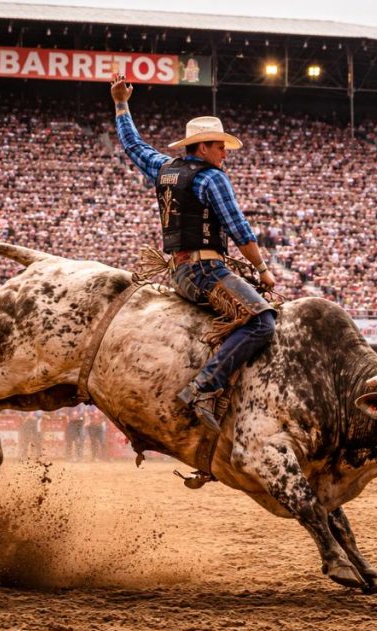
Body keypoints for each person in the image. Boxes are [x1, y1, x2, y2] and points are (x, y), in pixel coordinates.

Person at [111, 73, 277, 433]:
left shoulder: (165, 168)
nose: (224, 154)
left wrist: (121, 104)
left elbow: (133, 146)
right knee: (262, 321)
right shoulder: (212, 178)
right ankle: (205, 386)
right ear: (202, 148)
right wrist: (263, 270)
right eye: (220, 147)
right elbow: (239, 229)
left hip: (179, 272)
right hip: (205, 272)